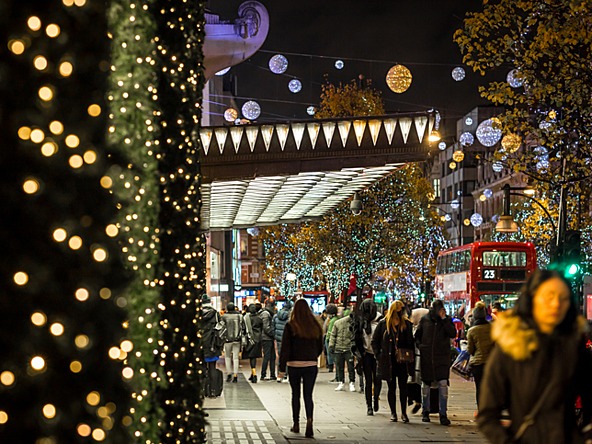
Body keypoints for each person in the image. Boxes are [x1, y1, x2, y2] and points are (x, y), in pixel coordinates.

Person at [478, 269, 592, 444]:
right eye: (549, 296)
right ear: (532, 299)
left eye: (563, 298)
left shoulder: (574, 346)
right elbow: (487, 415)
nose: (556, 304)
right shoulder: (511, 346)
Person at [278, 299, 324, 438]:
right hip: (310, 365)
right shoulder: (315, 325)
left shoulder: (291, 325)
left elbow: (285, 348)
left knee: (295, 395)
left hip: (294, 365)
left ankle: (296, 424)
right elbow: (319, 347)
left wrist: (281, 368)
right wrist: (312, 357)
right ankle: (309, 420)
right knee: (308, 395)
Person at [415, 299, 456, 425]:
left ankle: (443, 413)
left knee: (443, 385)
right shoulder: (425, 320)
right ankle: (425, 411)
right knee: (426, 385)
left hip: (442, 358)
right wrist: (421, 347)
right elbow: (417, 335)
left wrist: (444, 320)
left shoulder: (447, 320)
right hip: (427, 357)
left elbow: (452, 333)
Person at [372, 300, 414, 422]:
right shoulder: (383, 324)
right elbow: (375, 341)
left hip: (402, 361)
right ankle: (393, 413)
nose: (399, 314)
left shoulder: (406, 324)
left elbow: (410, 342)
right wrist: (379, 355)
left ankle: (403, 413)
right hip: (388, 361)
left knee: (403, 388)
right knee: (392, 388)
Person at [353, 298, 383, 415]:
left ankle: (376, 398)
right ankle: (369, 406)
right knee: (368, 380)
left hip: (377, 355)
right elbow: (357, 338)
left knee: (377, 379)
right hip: (366, 355)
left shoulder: (380, 321)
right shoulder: (360, 321)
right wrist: (360, 353)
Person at [466, 301, 493, 408]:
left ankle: (481, 409)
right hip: (491, 363)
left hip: (478, 364)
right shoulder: (493, 328)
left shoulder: (472, 331)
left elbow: (470, 350)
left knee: (479, 388)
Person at [201, 295, 224, 397]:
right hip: (212, 345)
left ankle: (202, 391)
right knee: (212, 368)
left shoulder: (197, 314)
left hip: (200, 346)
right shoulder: (215, 314)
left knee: (201, 368)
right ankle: (213, 392)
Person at [408, 305, 429, 414]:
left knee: (418, 381)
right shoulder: (414, 327)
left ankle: (420, 402)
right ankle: (419, 402)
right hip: (417, 359)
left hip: (420, 359)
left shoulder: (418, 329)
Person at [330, 311, 356, 392]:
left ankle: (342, 382)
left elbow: (333, 335)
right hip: (347, 348)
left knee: (340, 367)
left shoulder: (337, 323)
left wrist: (331, 345)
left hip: (340, 348)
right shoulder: (352, 323)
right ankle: (351, 382)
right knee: (349, 366)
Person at [221, 302, 244, 383]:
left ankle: (228, 374)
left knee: (227, 357)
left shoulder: (224, 316)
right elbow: (242, 328)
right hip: (237, 340)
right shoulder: (239, 316)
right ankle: (235, 375)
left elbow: (221, 327)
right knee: (235, 357)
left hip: (227, 340)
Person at [272, 299, 293, 382]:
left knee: (280, 357)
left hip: (279, 339)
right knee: (289, 357)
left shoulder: (276, 316)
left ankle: (280, 375)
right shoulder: (291, 317)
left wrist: (276, 336)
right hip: (288, 339)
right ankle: (287, 375)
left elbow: (272, 327)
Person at [243, 303, 263, 383]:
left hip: (250, 339)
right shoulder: (259, 318)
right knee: (254, 356)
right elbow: (262, 328)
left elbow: (244, 329)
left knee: (251, 357)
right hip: (258, 338)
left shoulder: (247, 318)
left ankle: (254, 374)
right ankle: (252, 374)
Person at [324, 304, 338, 374]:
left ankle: (330, 367)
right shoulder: (336, 319)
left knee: (330, 353)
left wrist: (327, 338)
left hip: (329, 339)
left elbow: (330, 331)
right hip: (334, 339)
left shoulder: (332, 321)